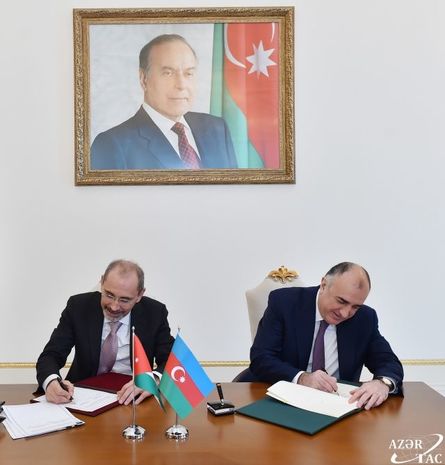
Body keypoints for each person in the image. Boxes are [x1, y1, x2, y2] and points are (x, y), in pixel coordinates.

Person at [248, 262, 404, 410]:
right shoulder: (285, 303)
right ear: (323, 285)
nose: (345, 313)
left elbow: (388, 361)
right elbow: (261, 358)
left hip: (336, 407)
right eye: (341, 301)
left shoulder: (364, 318)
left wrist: (382, 383)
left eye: (355, 307)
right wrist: (302, 378)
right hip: (283, 402)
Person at [36, 259, 174, 405]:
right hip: (81, 397)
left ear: (139, 295)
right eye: (109, 295)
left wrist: (152, 379)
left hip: (134, 401)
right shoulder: (78, 307)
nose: (114, 307)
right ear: (102, 282)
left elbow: (172, 360)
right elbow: (51, 355)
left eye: (124, 300)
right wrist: (51, 381)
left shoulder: (154, 313)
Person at [90, 34, 237, 170]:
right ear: (144, 79)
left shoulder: (217, 129)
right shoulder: (112, 145)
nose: (181, 85)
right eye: (168, 73)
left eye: (188, 73)